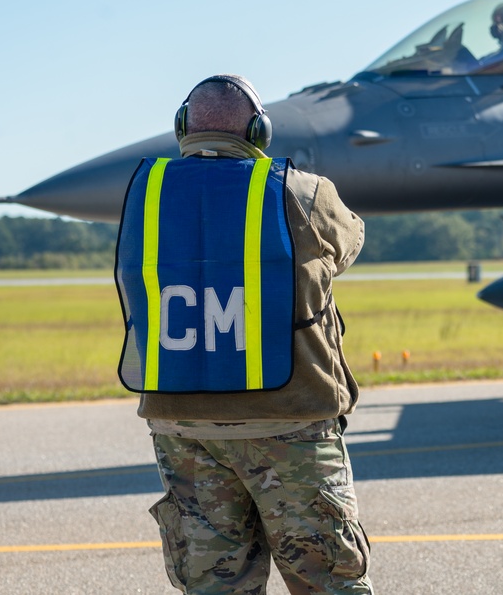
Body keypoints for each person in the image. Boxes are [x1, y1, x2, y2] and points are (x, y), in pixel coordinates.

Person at [114, 74, 371, 594]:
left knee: (215, 587)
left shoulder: (146, 193)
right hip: (290, 422)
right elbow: (350, 240)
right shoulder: (302, 192)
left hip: (183, 427)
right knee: (328, 583)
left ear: (183, 126)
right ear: (260, 131)